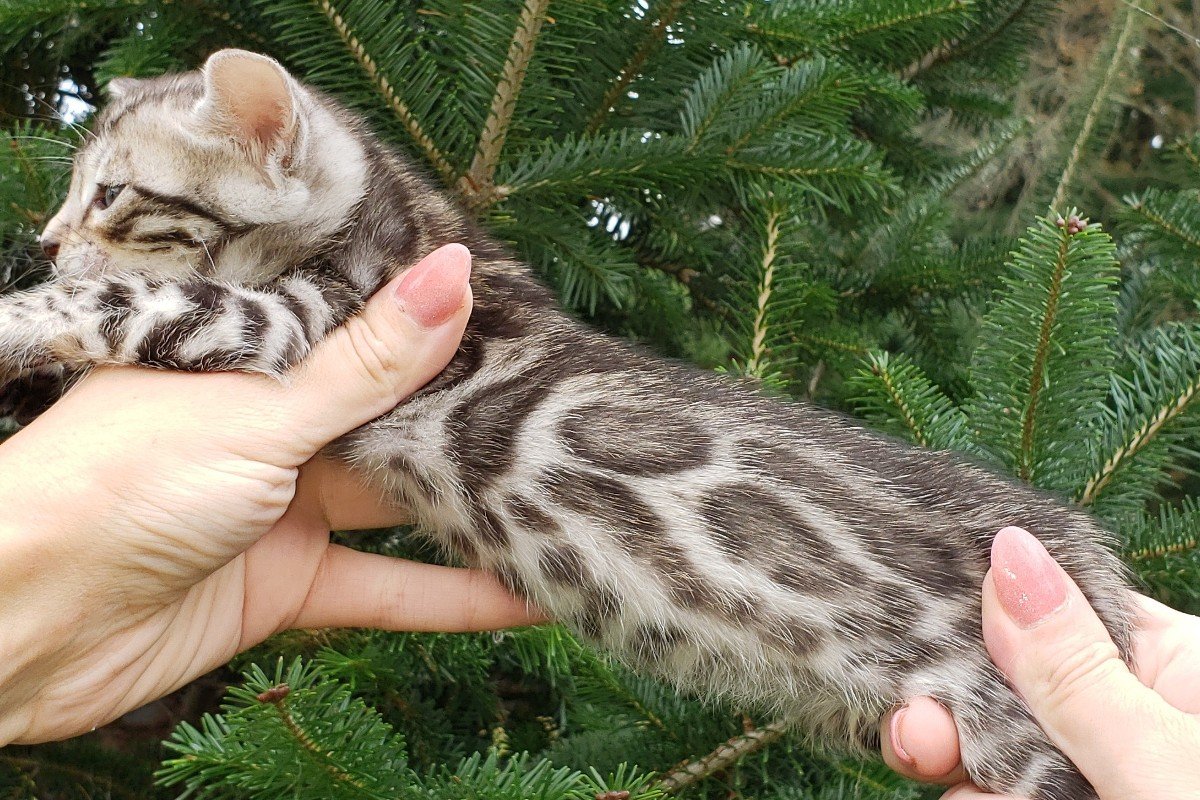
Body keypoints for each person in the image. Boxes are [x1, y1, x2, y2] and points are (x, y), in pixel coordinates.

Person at [0, 245, 1196, 798]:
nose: (66, 230)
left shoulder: (369, 277)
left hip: (937, 610)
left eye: (108, 202)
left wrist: (47, 322)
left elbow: (248, 334)